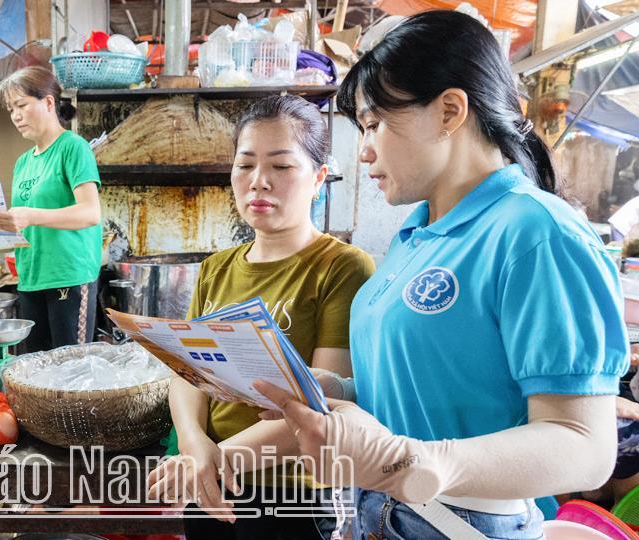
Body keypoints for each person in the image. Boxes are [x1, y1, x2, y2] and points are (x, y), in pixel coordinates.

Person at [254, 11, 629, 539]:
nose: (363, 151)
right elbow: (438, 381)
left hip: (463, 523)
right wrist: (337, 388)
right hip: (374, 517)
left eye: (374, 125)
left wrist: (420, 461)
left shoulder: (537, 232)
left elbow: (584, 446)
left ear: (450, 111)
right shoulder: (416, 236)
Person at [148, 95, 375, 540]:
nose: (258, 182)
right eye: (245, 164)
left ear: (318, 178)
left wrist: (215, 459)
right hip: (213, 482)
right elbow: (186, 373)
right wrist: (195, 444)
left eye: (282, 166)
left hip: (293, 494)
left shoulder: (342, 267)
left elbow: (325, 405)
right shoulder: (217, 268)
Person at [0, 66, 102, 353]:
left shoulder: (73, 148)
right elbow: (18, 225)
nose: (15, 115)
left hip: (69, 276)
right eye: (11, 109)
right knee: (36, 371)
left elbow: (90, 213)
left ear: (49, 103)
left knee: (70, 370)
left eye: (22, 105)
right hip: (31, 276)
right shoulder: (23, 162)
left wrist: (30, 215)